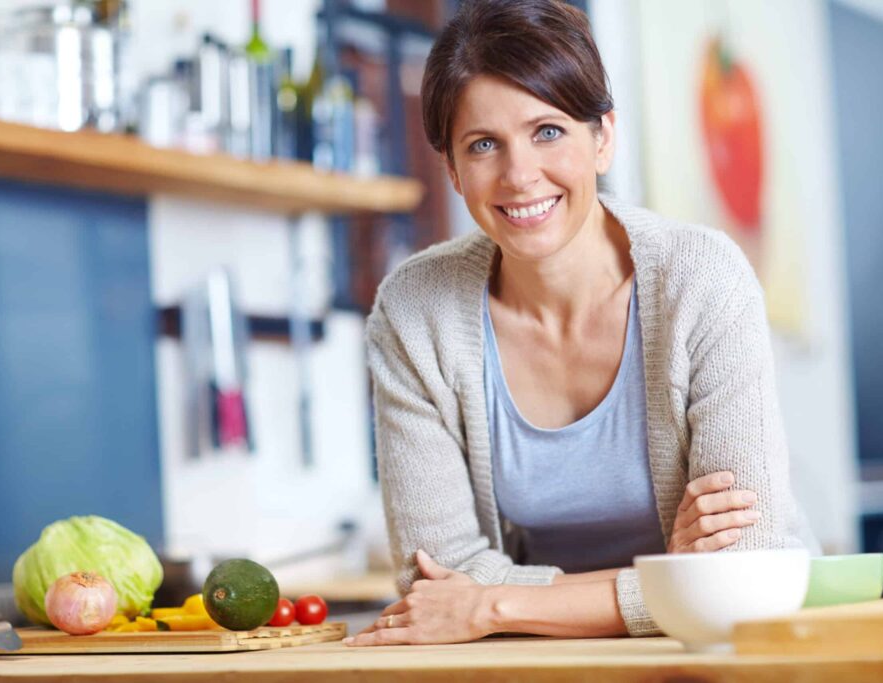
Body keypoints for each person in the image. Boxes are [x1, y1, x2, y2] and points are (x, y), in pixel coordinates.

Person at [344, 0, 817, 647]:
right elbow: (437, 575)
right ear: (451, 170)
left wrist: (493, 605)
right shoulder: (415, 309)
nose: (519, 174)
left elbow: (746, 562)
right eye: (484, 144)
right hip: (536, 660)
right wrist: (671, 579)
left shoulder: (703, 278)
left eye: (547, 131)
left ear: (603, 136)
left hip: (727, 645)